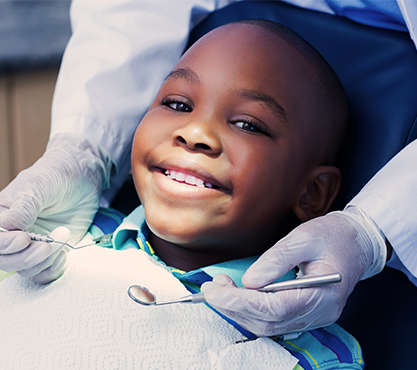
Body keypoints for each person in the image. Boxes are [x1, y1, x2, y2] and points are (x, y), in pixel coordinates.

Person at [0, 0, 416, 336]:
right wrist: (83, 150)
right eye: (178, 105)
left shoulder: (309, 345)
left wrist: (371, 232)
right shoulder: (53, 251)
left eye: (248, 125)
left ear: (312, 193)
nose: (195, 131)